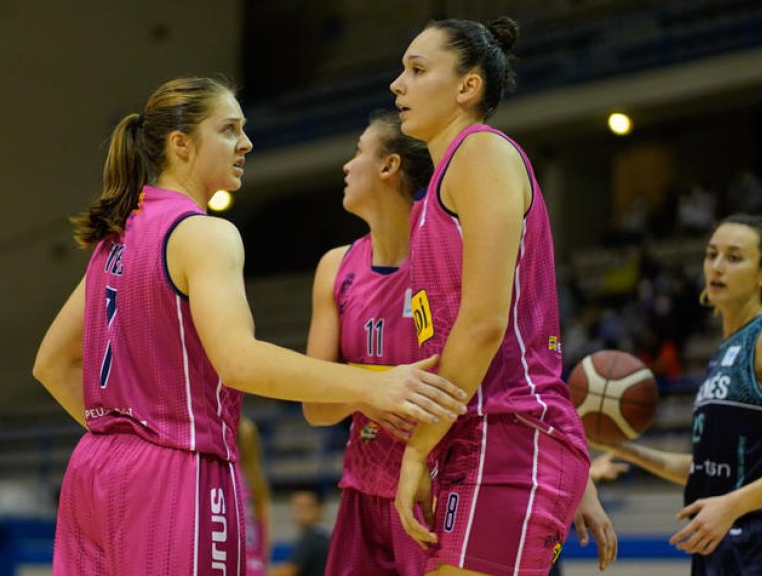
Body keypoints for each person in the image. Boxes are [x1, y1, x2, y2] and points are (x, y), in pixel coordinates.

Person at [32, 77, 470, 574]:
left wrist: (125, 439)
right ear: (182, 144)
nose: (247, 142)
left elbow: (50, 364)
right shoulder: (204, 233)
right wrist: (377, 383)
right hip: (178, 469)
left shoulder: (117, 238)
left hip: (93, 470)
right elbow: (239, 361)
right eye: (229, 129)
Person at [388, 17, 617, 575]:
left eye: (417, 70)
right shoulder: (432, 197)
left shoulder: (481, 154)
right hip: (478, 435)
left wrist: (417, 449)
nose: (397, 84)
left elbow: (486, 325)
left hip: (511, 435)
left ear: (468, 87)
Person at [603, 215, 762, 575]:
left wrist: (732, 505)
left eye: (734, 257)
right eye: (711, 254)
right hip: (719, 542)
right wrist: (623, 448)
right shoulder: (724, 351)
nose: (717, 266)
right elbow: (706, 470)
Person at [300, 111, 434, 575]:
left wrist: (352, 386)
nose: (346, 165)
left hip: (432, 487)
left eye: (358, 151)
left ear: (388, 166)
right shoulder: (335, 267)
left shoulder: (446, 259)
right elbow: (316, 407)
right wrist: (378, 383)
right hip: (361, 489)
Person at [270, 490, 332, 576]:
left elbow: (288, 571)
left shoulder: (313, 539)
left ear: (319, 510)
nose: (301, 513)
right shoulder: (323, 536)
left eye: (307, 507)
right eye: (297, 508)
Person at [239, 417, 272, 576]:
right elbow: (266, 537)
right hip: (257, 567)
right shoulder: (258, 481)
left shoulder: (229, 474)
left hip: (235, 564)